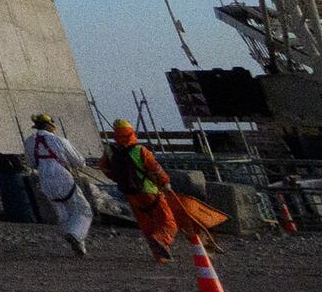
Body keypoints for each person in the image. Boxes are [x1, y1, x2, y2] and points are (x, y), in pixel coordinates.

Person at [100, 115, 221, 267]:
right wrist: (165, 182)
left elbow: (104, 168)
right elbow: (155, 168)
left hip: (130, 193)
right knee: (168, 223)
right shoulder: (140, 150)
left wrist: (117, 178)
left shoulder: (111, 151)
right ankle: (162, 240)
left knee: (147, 225)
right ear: (131, 132)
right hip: (150, 191)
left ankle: (160, 256)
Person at [22, 114, 97, 256]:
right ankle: (75, 234)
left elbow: (31, 163)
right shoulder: (59, 140)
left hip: (44, 179)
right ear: (49, 125)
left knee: (62, 212)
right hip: (62, 177)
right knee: (83, 209)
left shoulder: (30, 142)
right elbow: (79, 161)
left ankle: (78, 243)